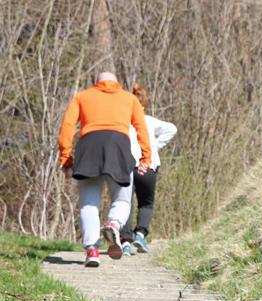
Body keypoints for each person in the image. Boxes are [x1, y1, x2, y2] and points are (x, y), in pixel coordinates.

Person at [58, 72, 151, 267]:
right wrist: (146, 157)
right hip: (118, 146)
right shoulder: (129, 98)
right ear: (117, 83)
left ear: (97, 82)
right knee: (122, 198)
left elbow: (67, 126)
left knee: (88, 203)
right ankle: (113, 224)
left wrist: (66, 158)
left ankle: (92, 249)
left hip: (88, 147)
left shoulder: (83, 96)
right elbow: (141, 127)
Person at [120, 84, 177, 255]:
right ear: (143, 105)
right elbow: (172, 129)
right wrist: (155, 147)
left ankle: (126, 242)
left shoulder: (123, 123)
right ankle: (140, 234)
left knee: (124, 203)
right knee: (146, 203)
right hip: (147, 166)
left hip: (126, 166)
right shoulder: (150, 121)